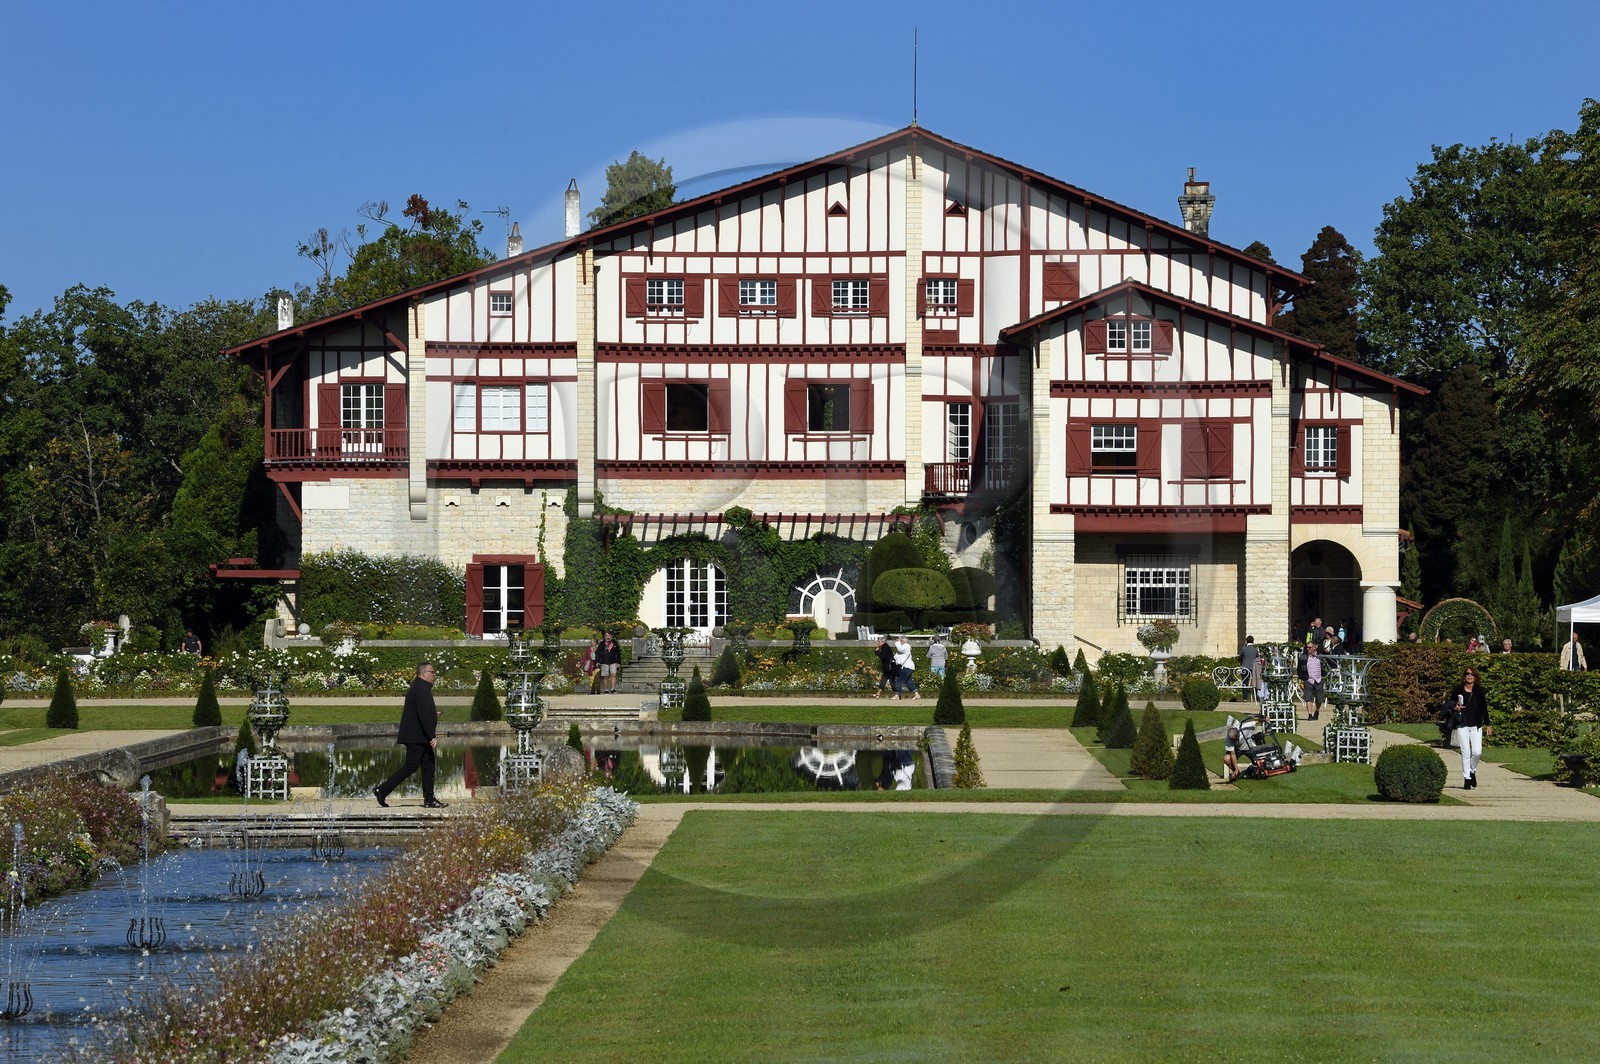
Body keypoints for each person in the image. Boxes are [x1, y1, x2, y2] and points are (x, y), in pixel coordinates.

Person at [373, 662, 446, 809]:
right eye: (432, 672)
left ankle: (429, 799)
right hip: (417, 736)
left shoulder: (421, 688)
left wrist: (434, 714)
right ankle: (382, 790)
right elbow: (423, 714)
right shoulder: (420, 689)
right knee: (411, 766)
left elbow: (422, 712)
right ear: (424, 673)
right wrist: (432, 735)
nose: (434, 675)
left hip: (418, 736)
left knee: (428, 766)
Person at [1448, 665, 1491, 789]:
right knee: (1465, 752)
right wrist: (1455, 708)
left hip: (1476, 725)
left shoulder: (1479, 691)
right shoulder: (1459, 689)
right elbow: (1450, 704)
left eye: (1472, 674)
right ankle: (1466, 778)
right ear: (1464, 676)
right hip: (1462, 724)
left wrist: (1488, 724)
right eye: (1467, 674)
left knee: (1477, 752)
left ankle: (1472, 770)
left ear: (1476, 677)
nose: (1469, 676)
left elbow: (1484, 708)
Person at [1300, 643, 1325, 721]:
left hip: (1319, 679)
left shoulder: (1320, 656)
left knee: (1319, 698)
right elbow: (1299, 668)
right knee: (1308, 698)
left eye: (1310, 647)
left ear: (1315, 647)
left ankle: (1317, 711)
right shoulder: (1303, 657)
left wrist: (1324, 675)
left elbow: (1326, 666)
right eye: (1307, 647)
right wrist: (1303, 677)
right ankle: (1310, 714)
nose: (1308, 649)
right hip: (1308, 679)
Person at [892, 635, 921, 700]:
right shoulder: (903, 647)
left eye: (899, 640)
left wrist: (897, 642)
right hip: (907, 667)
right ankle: (917, 694)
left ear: (902, 640)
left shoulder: (906, 646)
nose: (897, 641)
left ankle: (896, 695)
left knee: (899, 680)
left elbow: (900, 649)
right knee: (908, 681)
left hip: (906, 667)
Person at [1239, 636, 1260, 702]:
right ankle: (1257, 697)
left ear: (1246, 641)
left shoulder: (1244, 649)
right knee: (1255, 681)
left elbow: (1240, 656)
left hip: (1245, 666)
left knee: (1245, 682)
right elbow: (1257, 656)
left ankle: (1245, 698)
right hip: (1253, 667)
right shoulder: (1255, 649)